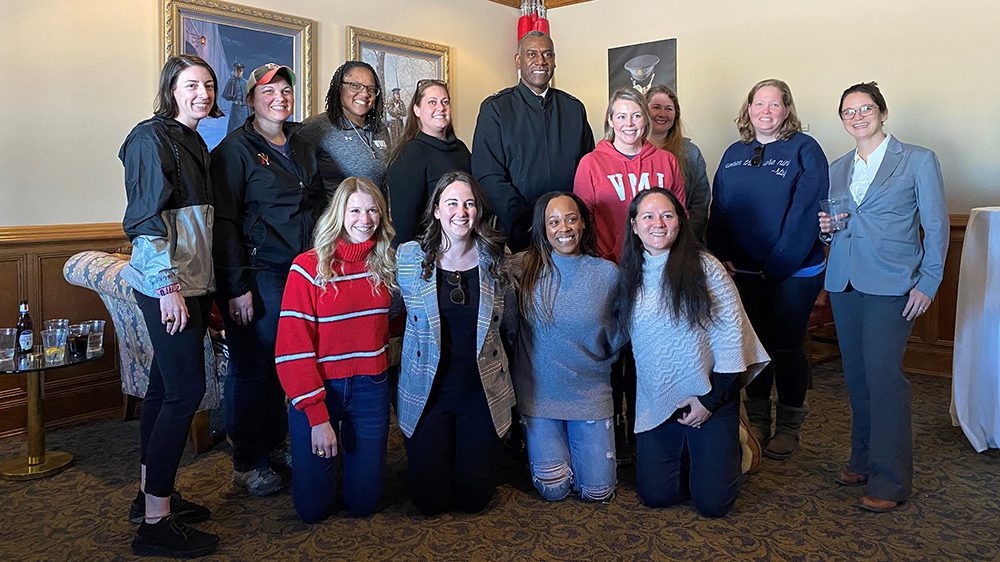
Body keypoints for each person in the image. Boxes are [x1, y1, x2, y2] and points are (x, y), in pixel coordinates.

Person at [819, 82, 948, 513]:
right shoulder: (838, 166)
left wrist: (928, 282)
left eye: (865, 108)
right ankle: (862, 459)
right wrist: (827, 229)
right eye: (848, 112)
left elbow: (937, 224)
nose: (857, 117)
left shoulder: (917, 160)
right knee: (856, 377)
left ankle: (890, 481)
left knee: (884, 379)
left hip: (893, 285)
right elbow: (837, 224)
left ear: (882, 112)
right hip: (845, 282)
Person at [119, 54, 222, 558]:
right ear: (171, 89)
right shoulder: (149, 138)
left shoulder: (195, 139)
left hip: (193, 284)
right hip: (168, 286)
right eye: (190, 85)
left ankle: (149, 497)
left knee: (162, 389)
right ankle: (155, 525)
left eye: (207, 84)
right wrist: (167, 288)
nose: (201, 93)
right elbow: (145, 222)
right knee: (186, 391)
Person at [617, 188, 769, 518]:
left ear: (680, 222)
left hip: (711, 394)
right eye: (648, 216)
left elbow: (732, 341)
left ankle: (738, 438)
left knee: (713, 505)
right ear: (634, 225)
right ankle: (695, 453)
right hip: (658, 400)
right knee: (657, 496)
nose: (658, 223)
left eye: (667, 215)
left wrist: (710, 401)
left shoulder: (706, 267)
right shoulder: (631, 272)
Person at [211, 63, 325, 496]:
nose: (279, 96)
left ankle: (275, 444)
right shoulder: (235, 151)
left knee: (288, 361)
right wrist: (237, 286)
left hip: (303, 271)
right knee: (253, 366)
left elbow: (315, 202)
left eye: (285, 89)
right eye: (269, 90)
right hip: (259, 273)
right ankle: (247, 460)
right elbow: (224, 223)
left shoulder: (301, 141)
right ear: (251, 99)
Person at [706, 78, 829, 460]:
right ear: (748, 109)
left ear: (787, 110)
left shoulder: (805, 149)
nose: (765, 111)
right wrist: (719, 254)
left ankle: (790, 422)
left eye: (774, 104)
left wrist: (778, 264)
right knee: (753, 347)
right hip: (741, 273)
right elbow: (720, 208)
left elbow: (806, 211)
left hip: (792, 271)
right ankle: (758, 417)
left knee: (787, 346)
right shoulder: (734, 152)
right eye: (758, 104)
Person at [275, 177, 398, 522]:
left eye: (373, 210)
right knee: (312, 511)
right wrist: (317, 416)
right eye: (355, 209)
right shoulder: (308, 267)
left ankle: (349, 467)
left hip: (370, 388)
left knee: (364, 505)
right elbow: (291, 350)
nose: (366, 219)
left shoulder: (386, 265)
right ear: (338, 214)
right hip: (320, 388)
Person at [573, 86, 685, 463]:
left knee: (647, 356)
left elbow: (679, 216)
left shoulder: (666, 161)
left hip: (655, 273)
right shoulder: (592, 163)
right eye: (621, 116)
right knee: (611, 354)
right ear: (609, 121)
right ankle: (615, 434)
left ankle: (645, 432)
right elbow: (583, 223)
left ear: (646, 119)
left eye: (636, 115)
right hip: (608, 271)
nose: (629, 123)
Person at [396, 170, 516, 516]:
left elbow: (509, 322)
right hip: (428, 391)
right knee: (429, 502)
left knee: (473, 499)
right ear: (436, 210)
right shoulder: (408, 258)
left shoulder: (497, 257)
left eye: (469, 203)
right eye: (452, 203)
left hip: (480, 390)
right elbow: (384, 307)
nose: (461, 212)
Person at [509, 192, 624, 502]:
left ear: (584, 224)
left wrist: (603, 353)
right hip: (539, 396)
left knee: (598, 493)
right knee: (554, 489)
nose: (564, 228)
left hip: (590, 393)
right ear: (543, 229)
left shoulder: (607, 274)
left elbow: (623, 327)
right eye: (554, 221)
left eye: (571, 219)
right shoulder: (522, 267)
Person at [472, 31, 594, 252]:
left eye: (547, 54)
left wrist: (568, 218)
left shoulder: (574, 109)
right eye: (532, 54)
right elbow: (488, 175)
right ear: (518, 60)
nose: (540, 61)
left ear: (555, 61)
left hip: (569, 232)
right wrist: (529, 220)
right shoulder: (496, 109)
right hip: (518, 232)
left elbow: (588, 170)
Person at [386, 79, 471, 246]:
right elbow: (404, 226)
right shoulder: (410, 155)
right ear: (417, 110)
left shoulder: (461, 149)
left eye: (445, 102)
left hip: (465, 249)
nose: (440, 108)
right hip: (430, 255)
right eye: (432, 102)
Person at [301, 61, 389, 193]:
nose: (365, 94)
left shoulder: (380, 128)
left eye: (371, 89)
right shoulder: (315, 128)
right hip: (336, 213)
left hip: (377, 212)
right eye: (355, 86)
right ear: (339, 87)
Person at [646, 85, 711, 241]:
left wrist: (683, 238)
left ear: (676, 115)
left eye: (669, 109)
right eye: (656, 107)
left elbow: (699, 204)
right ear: (644, 111)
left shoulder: (691, 153)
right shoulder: (631, 151)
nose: (662, 114)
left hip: (682, 240)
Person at [222, 62, 248, 133]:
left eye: (240, 70)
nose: (239, 72)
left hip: (244, 109)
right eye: (237, 70)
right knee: (233, 128)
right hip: (235, 109)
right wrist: (230, 96)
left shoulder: (246, 83)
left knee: (244, 127)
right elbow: (225, 95)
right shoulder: (231, 81)